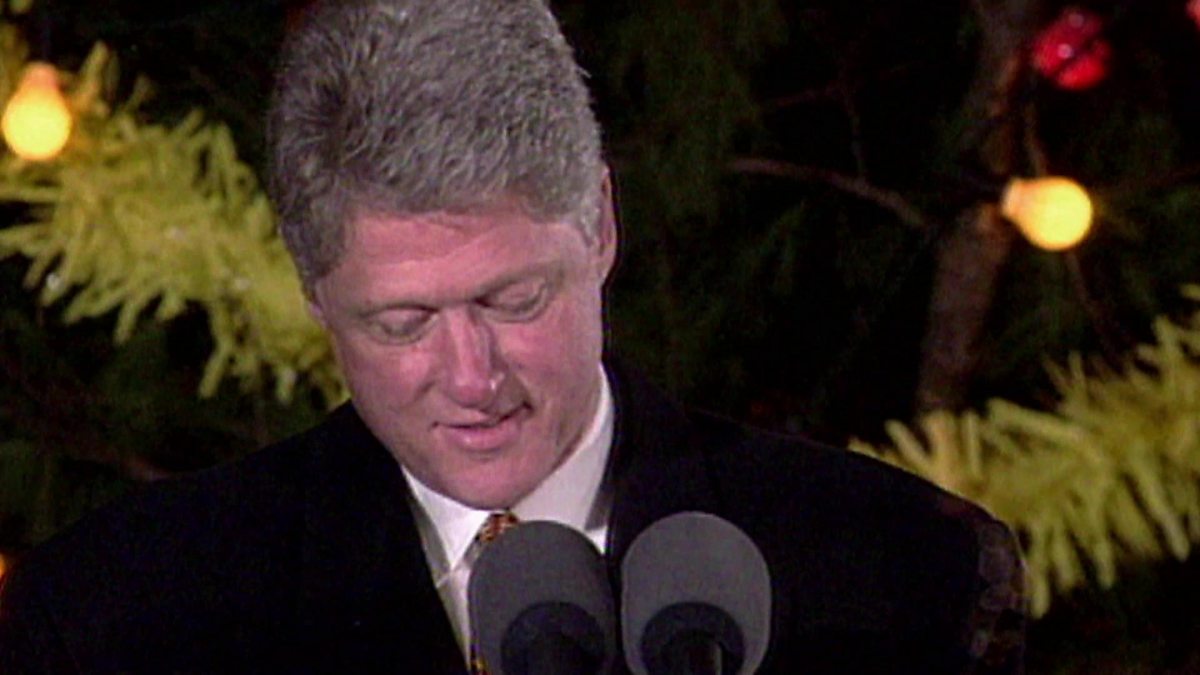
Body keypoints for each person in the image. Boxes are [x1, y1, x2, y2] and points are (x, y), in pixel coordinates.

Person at [0, 0, 1026, 672]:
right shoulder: (118, 615)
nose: (471, 376)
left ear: (600, 226)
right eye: (402, 321)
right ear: (313, 288)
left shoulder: (905, 574)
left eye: (513, 300)